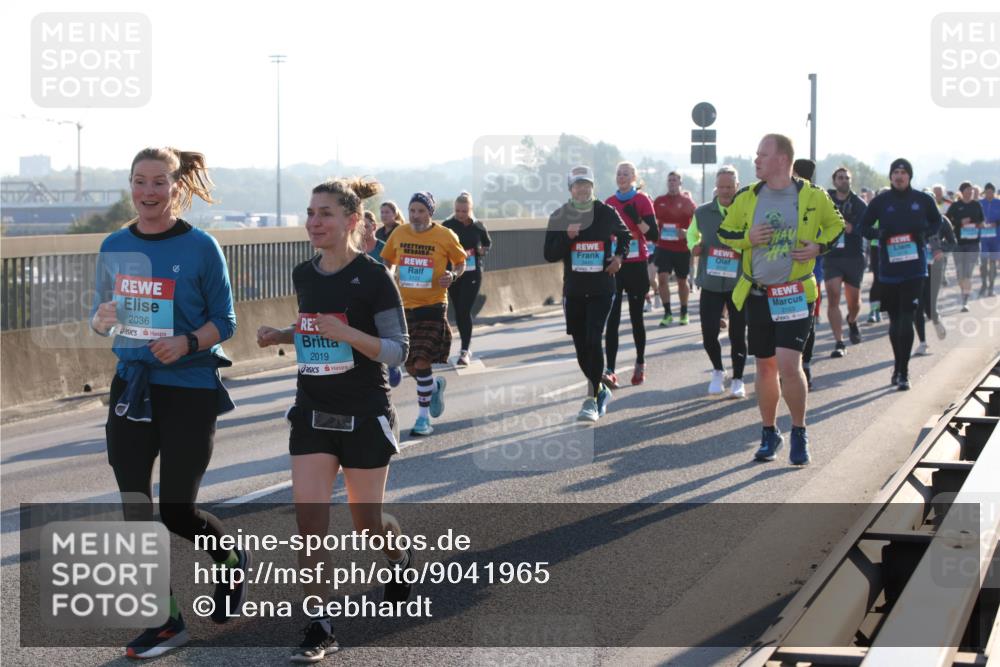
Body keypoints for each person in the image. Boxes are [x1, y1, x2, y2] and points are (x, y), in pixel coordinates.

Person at [90, 147, 246, 658]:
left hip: (189, 387)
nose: (148, 192)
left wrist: (186, 343)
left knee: (178, 510)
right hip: (132, 385)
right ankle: (166, 622)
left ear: (177, 188)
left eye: (159, 182)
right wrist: (102, 319)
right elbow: (98, 316)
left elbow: (226, 321)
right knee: (135, 504)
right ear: (129, 186)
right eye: (140, 181)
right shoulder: (114, 244)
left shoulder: (201, 246)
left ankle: (228, 561)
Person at [256, 178, 412, 662]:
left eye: (324, 213)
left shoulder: (374, 276)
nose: (313, 222)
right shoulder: (305, 274)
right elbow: (314, 334)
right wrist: (281, 333)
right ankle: (320, 624)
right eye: (309, 213)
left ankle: (398, 556)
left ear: (351, 221)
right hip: (313, 413)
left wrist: (348, 332)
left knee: (367, 524)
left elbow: (397, 350)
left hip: (364, 413)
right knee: (311, 524)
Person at [719, 134, 844, 466]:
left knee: (790, 364)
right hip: (758, 294)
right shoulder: (747, 197)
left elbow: (837, 226)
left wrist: (819, 247)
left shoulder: (813, 196)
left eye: (762, 154)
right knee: (765, 366)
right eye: (757, 154)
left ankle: (799, 431)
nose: (756, 160)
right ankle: (769, 431)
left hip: (794, 294)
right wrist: (748, 238)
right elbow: (724, 232)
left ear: (782, 160)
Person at [544, 165, 631, 421]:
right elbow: (549, 254)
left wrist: (618, 258)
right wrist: (567, 237)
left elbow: (625, 236)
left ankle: (591, 398)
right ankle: (601, 388)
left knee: (594, 338)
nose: (583, 189)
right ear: (570, 188)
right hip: (574, 290)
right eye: (578, 185)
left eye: (587, 185)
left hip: (602, 288)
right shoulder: (560, 215)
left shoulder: (605, 212)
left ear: (593, 187)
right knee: (581, 346)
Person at [381, 192, 468, 436]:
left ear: (430, 212)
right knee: (412, 366)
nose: (416, 216)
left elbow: (460, 262)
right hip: (404, 306)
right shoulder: (399, 233)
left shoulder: (444, 235)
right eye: (412, 211)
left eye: (421, 211)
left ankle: (423, 419)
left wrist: (453, 275)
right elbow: (387, 262)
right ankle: (435, 386)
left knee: (422, 361)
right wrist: (386, 282)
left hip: (433, 305)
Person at [859, 159, 941, 390]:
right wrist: (879, 233)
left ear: (910, 176)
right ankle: (898, 366)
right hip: (889, 271)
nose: (899, 175)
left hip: (915, 269)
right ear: (890, 176)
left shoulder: (923, 200)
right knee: (895, 322)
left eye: (904, 172)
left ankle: (904, 372)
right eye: (895, 172)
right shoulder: (881, 202)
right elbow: (862, 227)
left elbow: (937, 222)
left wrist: (924, 234)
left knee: (907, 317)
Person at [688, 165, 748, 398]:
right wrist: (693, 247)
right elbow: (691, 235)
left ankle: (738, 379)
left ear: (737, 187)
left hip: (738, 283)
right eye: (721, 187)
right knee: (708, 332)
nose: (725, 191)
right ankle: (717, 370)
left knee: (737, 334)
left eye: (729, 187)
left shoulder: (746, 212)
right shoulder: (702, 213)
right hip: (711, 281)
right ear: (716, 186)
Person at [603, 161, 658, 387]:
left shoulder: (642, 200)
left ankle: (640, 363)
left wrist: (636, 218)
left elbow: (654, 235)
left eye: (626, 173)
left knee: (636, 318)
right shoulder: (609, 203)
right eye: (619, 173)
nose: (622, 177)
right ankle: (610, 369)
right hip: (617, 264)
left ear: (634, 177)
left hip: (637, 264)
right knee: (612, 319)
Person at [442, 191, 492, 367]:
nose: (461, 214)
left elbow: (487, 244)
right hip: (454, 273)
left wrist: (481, 251)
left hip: (472, 272)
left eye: (464, 211)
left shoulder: (478, 226)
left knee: (464, 310)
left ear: (470, 210)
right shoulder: (447, 225)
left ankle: (464, 350)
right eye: (458, 210)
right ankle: (461, 346)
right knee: (457, 312)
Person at [823, 167, 868, 356]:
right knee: (833, 296)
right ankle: (839, 342)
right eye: (840, 178)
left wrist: (853, 228)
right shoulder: (825, 200)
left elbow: (868, 226)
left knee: (854, 302)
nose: (844, 180)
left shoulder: (859, 203)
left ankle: (851, 320)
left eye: (847, 178)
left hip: (853, 256)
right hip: (832, 256)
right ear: (834, 181)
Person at [653, 171, 697, 326]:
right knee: (663, 279)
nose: (672, 182)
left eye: (675, 180)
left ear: (680, 183)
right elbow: (652, 221)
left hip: (681, 248)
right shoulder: (659, 201)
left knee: (681, 281)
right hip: (663, 246)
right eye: (669, 180)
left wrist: (687, 233)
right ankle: (667, 313)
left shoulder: (687, 202)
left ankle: (684, 312)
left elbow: (697, 223)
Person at [946, 181, 986, 311]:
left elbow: (981, 220)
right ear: (962, 192)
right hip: (959, 243)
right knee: (960, 273)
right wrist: (959, 222)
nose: (970, 192)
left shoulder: (976, 205)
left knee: (968, 273)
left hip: (973, 243)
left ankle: (965, 300)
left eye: (972, 190)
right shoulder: (955, 205)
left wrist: (980, 225)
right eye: (968, 190)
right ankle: (963, 291)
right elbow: (946, 220)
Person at [978, 182, 999, 296]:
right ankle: (983, 283)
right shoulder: (979, 203)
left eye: (991, 192)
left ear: (994, 192)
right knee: (984, 262)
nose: (989, 194)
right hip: (983, 238)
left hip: (996, 237)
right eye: (987, 192)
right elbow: (974, 217)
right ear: (984, 192)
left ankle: (991, 285)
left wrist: (996, 223)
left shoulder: (998, 203)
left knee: (993, 262)